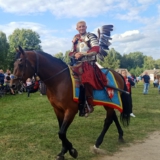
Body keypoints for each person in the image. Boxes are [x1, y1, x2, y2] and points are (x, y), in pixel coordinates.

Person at [69, 21, 107, 114]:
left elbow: (96, 49)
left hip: (88, 64)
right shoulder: (75, 38)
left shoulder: (90, 36)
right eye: (79, 27)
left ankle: (88, 104)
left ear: (86, 27)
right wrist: (75, 54)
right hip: (77, 63)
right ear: (77, 28)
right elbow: (71, 52)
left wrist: (82, 54)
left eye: (83, 26)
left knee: (86, 78)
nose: (81, 28)